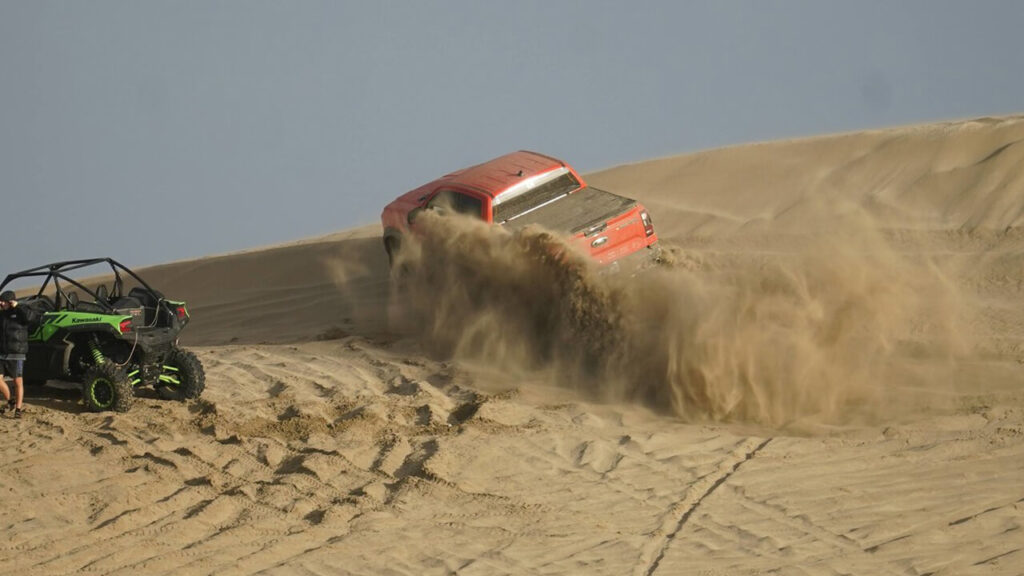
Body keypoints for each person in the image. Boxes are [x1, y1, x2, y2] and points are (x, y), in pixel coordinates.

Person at [0, 290, 39, 418]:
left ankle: (18, 409)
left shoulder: (21, 312)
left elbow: (31, 318)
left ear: (10, 302)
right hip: (2, 353)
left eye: (3, 301)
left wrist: (18, 306)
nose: (1, 303)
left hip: (16, 353)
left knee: (17, 382)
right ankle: (10, 400)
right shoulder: (2, 315)